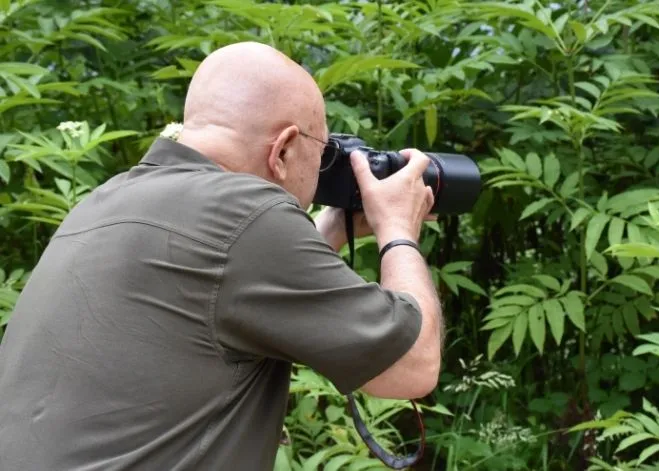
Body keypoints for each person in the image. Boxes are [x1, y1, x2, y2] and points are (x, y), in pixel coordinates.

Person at [0, 41, 444, 470]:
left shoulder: (103, 201)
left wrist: (328, 233)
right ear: (284, 149)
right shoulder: (248, 213)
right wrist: (398, 229)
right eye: (322, 152)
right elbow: (411, 368)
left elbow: (217, 295)